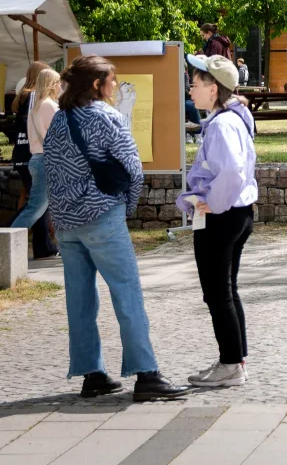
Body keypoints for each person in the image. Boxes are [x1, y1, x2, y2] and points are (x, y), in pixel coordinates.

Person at [44, 55, 190, 401]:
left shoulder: (59, 120)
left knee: (79, 301)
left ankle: (92, 374)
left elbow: (51, 170)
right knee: (127, 294)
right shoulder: (107, 117)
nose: (115, 87)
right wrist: (124, 209)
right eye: (112, 81)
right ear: (97, 85)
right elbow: (133, 170)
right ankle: (146, 374)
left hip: (66, 224)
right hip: (101, 218)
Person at [179, 55, 258, 387]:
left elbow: (230, 171)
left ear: (213, 88)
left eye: (194, 84)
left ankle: (230, 365)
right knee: (226, 291)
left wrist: (213, 202)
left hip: (223, 216)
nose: (190, 89)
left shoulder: (224, 123)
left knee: (217, 293)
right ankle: (234, 360)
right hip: (236, 213)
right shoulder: (229, 118)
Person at [10, 65, 60, 258]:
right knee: (35, 209)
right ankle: (6, 244)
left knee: (48, 207)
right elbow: (61, 134)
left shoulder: (36, 107)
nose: (59, 87)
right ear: (50, 84)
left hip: (39, 159)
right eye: (57, 83)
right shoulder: (49, 106)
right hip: (48, 161)